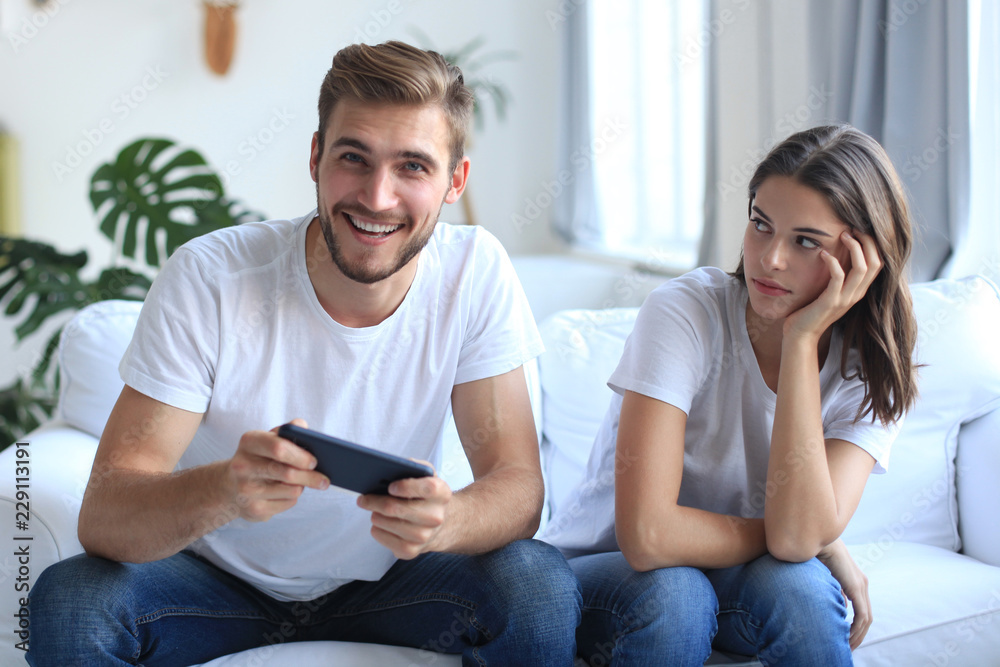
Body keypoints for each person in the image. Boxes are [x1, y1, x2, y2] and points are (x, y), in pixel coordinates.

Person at [27, 41, 580, 666]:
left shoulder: (475, 273)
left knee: (537, 586)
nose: (377, 197)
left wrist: (448, 521)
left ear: (455, 180)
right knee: (71, 601)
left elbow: (518, 487)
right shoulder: (211, 277)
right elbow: (105, 515)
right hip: (214, 586)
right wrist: (224, 489)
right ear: (316, 157)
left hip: (396, 583)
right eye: (354, 157)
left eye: (413, 167)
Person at [542, 124, 918, 666]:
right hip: (607, 572)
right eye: (761, 225)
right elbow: (648, 536)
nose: (770, 259)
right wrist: (821, 543)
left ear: (864, 259)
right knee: (678, 593)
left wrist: (801, 340)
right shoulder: (686, 313)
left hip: (735, 579)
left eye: (805, 241)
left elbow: (796, 545)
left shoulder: (872, 368)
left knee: (806, 593)